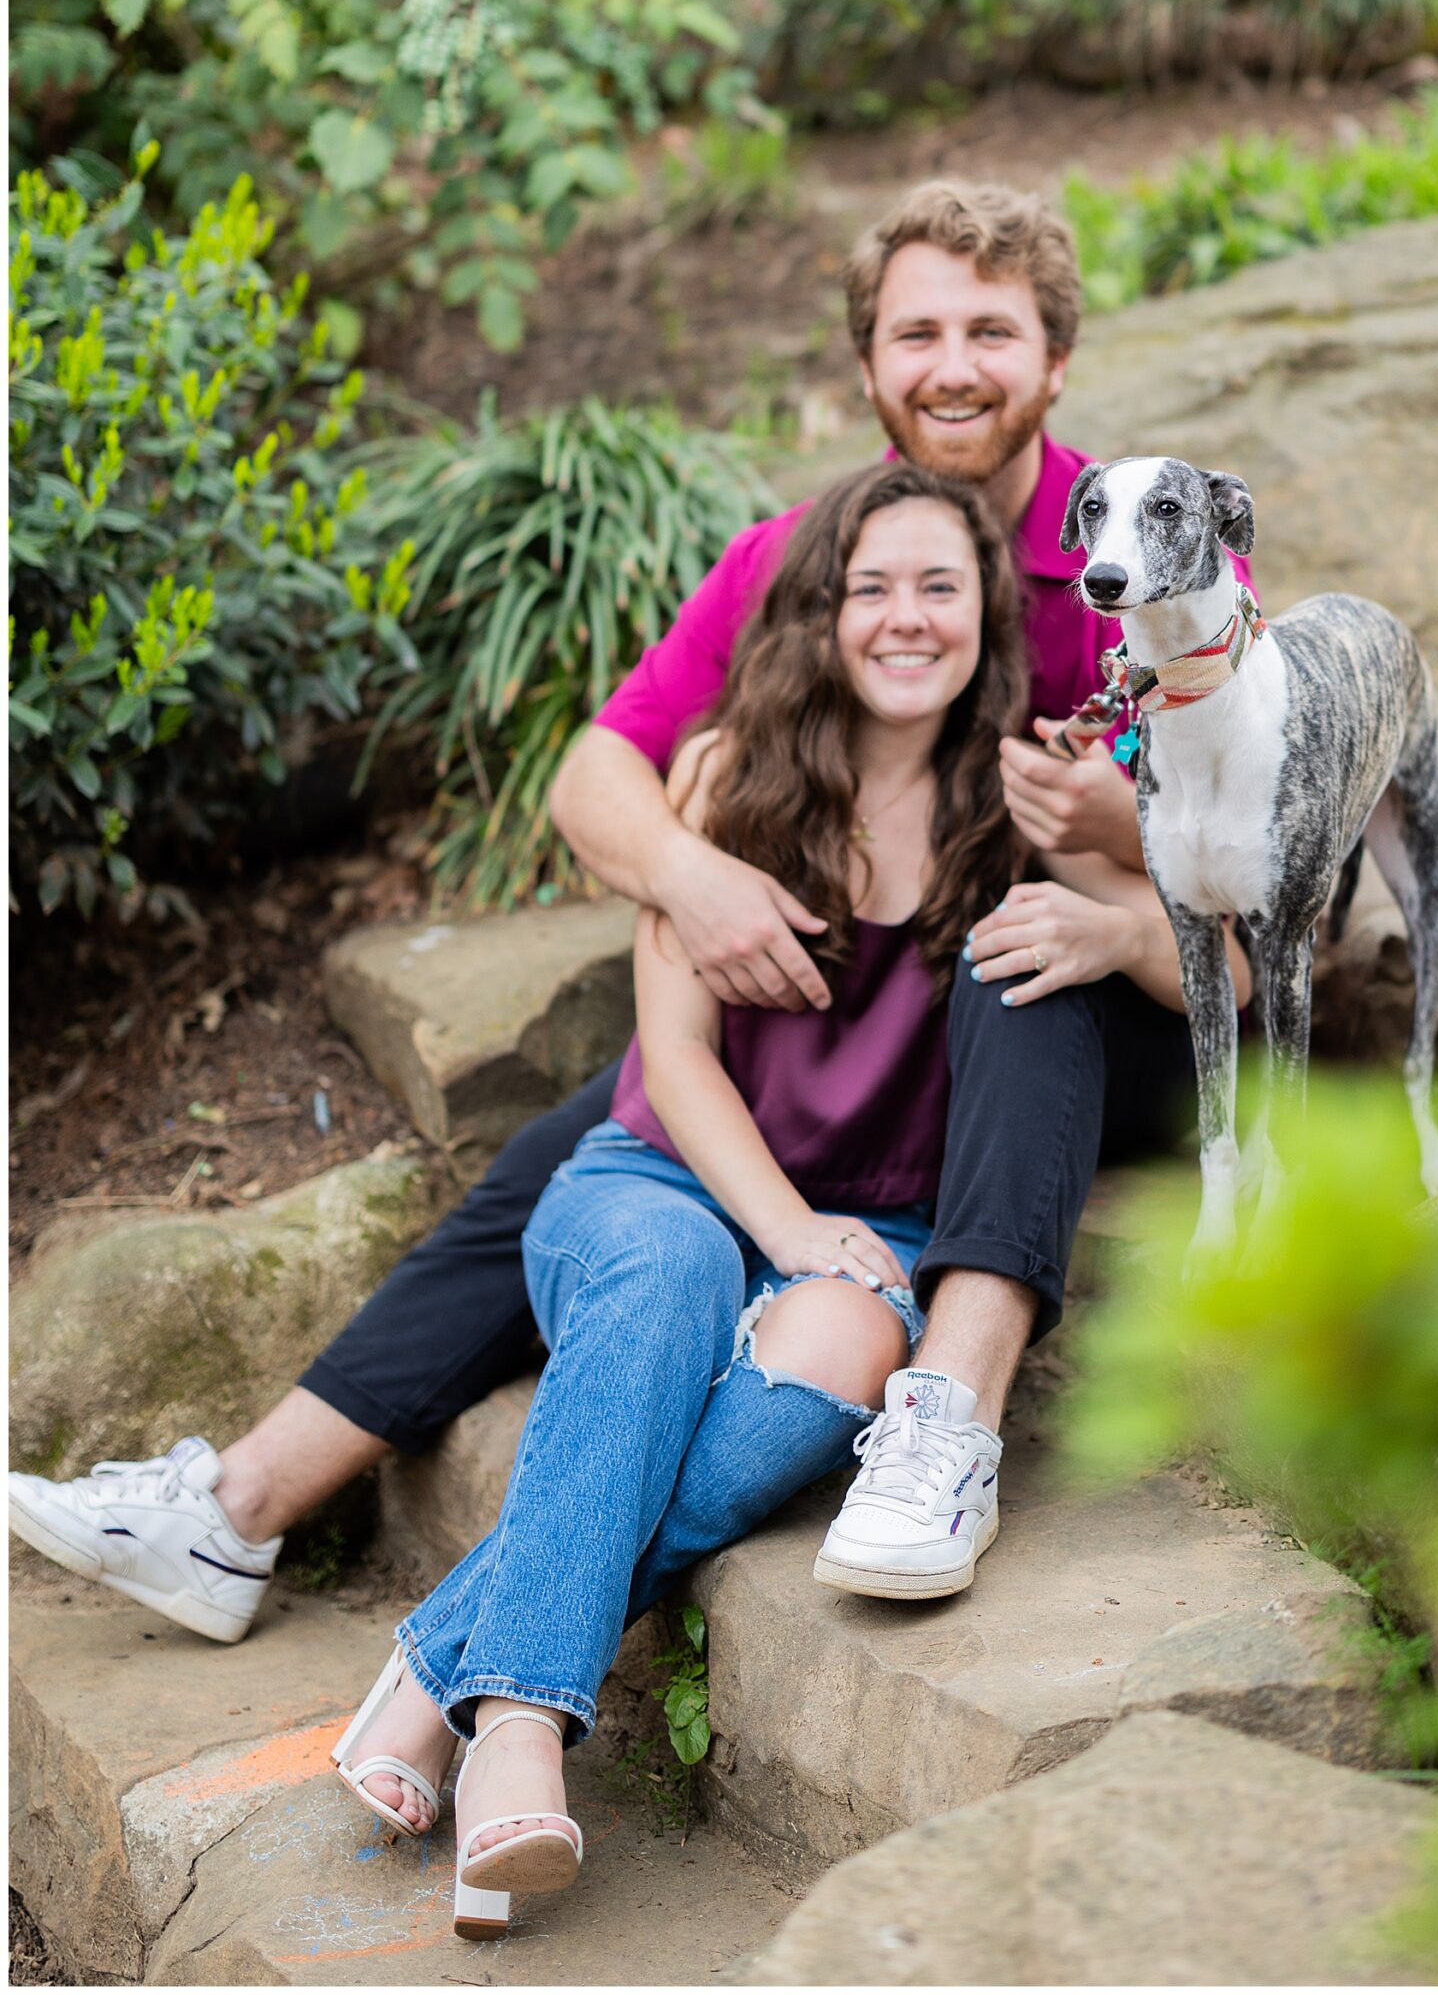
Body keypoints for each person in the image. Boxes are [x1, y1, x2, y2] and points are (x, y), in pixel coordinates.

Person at [9, 182, 1251, 1670]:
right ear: (867, 364)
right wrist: (689, 874)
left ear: (1056, 359)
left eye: (993, 331)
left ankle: (953, 1417)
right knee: (621, 1117)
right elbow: (596, 774)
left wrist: (1110, 832)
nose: (953, 367)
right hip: (877, 1016)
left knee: (1020, 957)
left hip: (1119, 999)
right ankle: (239, 1506)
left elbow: (1258, 866)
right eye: (916, 332)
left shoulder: (1149, 540)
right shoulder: (808, 558)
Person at [333, 461, 1036, 1938]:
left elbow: (1208, 940)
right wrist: (781, 1234)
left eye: (942, 587)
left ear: (989, 613)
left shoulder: (1015, 801)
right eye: (872, 587)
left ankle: (436, 1664)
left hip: (879, 1218)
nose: (907, 618)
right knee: (671, 1282)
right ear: (821, 610)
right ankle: (519, 1732)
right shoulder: (725, 777)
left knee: (851, 1345)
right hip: (659, 1179)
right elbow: (677, 1057)